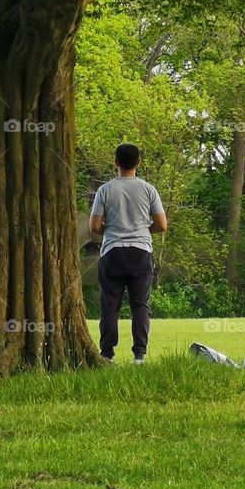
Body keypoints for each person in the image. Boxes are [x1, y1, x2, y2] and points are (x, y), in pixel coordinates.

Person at [89, 143, 167, 365]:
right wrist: (142, 230)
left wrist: (112, 231)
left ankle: (107, 355)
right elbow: (162, 225)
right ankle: (139, 355)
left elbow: (94, 226)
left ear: (115, 163)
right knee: (140, 304)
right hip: (141, 253)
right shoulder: (148, 189)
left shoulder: (105, 190)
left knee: (110, 305)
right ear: (138, 163)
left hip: (112, 253)